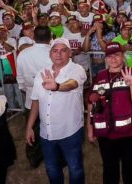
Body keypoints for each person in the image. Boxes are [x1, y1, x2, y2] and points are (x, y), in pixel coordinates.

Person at [25, 38, 88, 184]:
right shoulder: (42, 73)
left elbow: (72, 84)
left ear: (70, 53)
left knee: (75, 168)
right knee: (52, 169)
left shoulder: (76, 69)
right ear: (50, 54)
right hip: (46, 132)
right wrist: (29, 127)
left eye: (63, 50)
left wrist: (57, 86)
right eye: (55, 50)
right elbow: (35, 101)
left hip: (70, 131)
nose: (58, 54)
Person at [87, 42, 132, 184]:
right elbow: (92, 102)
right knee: (109, 168)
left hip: (128, 133)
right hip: (105, 134)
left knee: (130, 168)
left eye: (117, 55)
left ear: (123, 56)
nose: (113, 59)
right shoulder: (99, 76)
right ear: (106, 58)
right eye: (110, 56)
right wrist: (90, 128)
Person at [16, 25, 53, 167]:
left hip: (30, 99)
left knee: (33, 129)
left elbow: (20, 78)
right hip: (50, 98)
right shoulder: (53, 53)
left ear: (34, 37)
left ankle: (33, 159)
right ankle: (54, 157)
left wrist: (27, 90)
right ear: (50, 37)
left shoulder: (23, 54)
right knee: (51, 129)